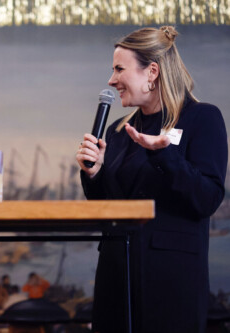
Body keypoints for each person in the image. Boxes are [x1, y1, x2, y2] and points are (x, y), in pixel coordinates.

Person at [76, 26, 227, 332]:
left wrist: (165, 155)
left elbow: (207, 198)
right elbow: (110, 207)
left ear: (152, 72)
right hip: (117, 274)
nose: (111, 80)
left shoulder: (202, 118)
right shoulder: (118, 131)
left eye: (119, 69)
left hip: (171, 280)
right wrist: (95, 175)